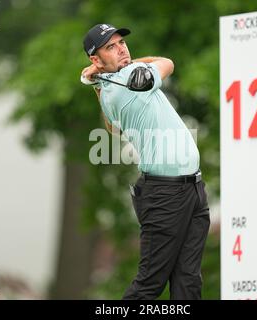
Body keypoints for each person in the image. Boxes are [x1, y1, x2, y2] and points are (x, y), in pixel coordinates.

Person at [81, 23, 210, 300]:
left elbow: (112, 127)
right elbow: (167, 62)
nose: (122, 49)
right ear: (95, 59)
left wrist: (98, 78)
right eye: (110, 47)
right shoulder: (129, 79)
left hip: (192, 189)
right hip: (166, 194)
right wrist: (107, 74)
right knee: (149, 285)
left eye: (121, 43)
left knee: (188, 282)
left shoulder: (108, 89)